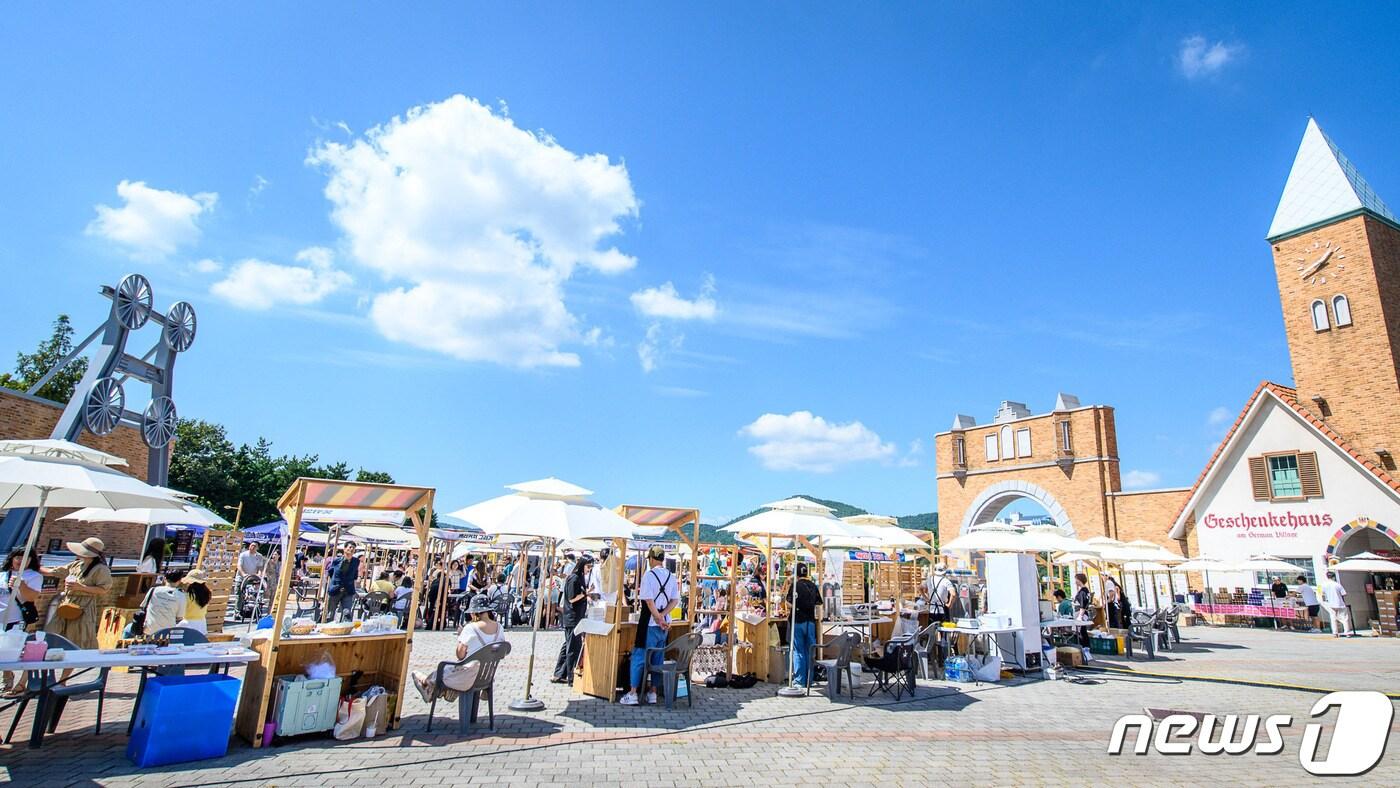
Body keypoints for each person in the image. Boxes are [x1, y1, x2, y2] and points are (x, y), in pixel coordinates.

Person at [411, 593, 506, 703]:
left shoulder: (470, 628)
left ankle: (428, 686)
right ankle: (430, 685)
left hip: (467, 677)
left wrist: (461, 635)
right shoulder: (499, 628)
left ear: (474, 612)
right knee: (446, 670)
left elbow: (460, 655)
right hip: (487, 676)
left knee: (444, 668)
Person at [621, 546, 679, 706]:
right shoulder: (671, 576)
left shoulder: (649, 575)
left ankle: (633, 693)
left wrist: (657, 616)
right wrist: (663, 616)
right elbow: (675, 600)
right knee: (658, 658)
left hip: (650, 623)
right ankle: (653, 692)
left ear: (652, 559)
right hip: (664, 624)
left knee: (639, 656)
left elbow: (648, 600)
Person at [41, 537, 113, 650]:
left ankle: (72, 665)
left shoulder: (101, 569)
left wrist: (81, 587)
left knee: (77, 636)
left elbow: (103, 589)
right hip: (66, 603)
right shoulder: (76, 565)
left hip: (84, 607)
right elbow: (54, 572)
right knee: (54, 631)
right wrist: (33, 566)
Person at [1, 548, 43, 697]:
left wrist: (22, 586)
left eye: (25, 558)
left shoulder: (33, 576)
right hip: (1, 617)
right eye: (17, 557)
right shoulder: (3, 574)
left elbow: (31, 597)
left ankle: (20, 684)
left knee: (14, 651)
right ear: (12, 558)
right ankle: (7, 678)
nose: (20, 561)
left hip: (17, 618)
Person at [552, 554, 595, 683]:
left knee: (569, 645)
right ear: (582, 565)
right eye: (588, 566)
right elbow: (571, 598)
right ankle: (571, 676)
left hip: (578, 616)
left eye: (590, 567)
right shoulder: (574, 578)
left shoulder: (581, 578)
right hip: (572, 617)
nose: (589, 569)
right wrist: (586, 593)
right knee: (572, 647)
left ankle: (560, 673)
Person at [786, 563, 823, 688]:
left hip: (798, 621)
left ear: (796, 574)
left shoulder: (795, 585)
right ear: (806, 573)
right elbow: (819, 603)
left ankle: (799, 680)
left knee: (798, 651)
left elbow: (789, 602)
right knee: (810, 651)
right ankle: (809, 679)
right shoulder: (813, 585)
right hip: (811, 622)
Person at [324, 544, 360, 622]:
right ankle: (329, 629)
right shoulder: (336, 560)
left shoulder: (356, 561)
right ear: (344, 549)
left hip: (348, 590)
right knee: (330, 613)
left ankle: (346, 630)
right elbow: (331, 573)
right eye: (350, 547)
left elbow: (355, 575)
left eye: (353, 548)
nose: (351, 549)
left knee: (347, 613)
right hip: (335, 589)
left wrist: (354, 587)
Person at [1318, 570, 1352, 637]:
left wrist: (1325, 600)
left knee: (1333, 618)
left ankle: (1335, 633)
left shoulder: (1323, 585)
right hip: (1340, 603)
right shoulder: (1337, 584)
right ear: (1333, 577)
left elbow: (1321, 594)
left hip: (1330, 604)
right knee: (1344, 618)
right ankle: (1347, 633)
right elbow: (1344, 594)